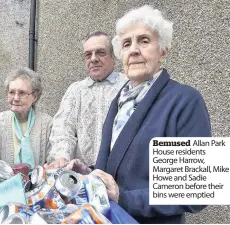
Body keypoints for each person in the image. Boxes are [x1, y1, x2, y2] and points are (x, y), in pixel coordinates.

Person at [64, 5, 212, 224]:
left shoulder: (184, 100)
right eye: (126, 43)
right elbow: (123, 170)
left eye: (144, 40)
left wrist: (124, 198)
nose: (133, 50)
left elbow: (196, 190)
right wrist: (89, 172)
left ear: (163, 50)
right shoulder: (119, 101)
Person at [45, 31, 127, 169]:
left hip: (120, 173)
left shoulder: (127, 85)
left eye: (100, 52)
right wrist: (62, 156)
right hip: (84, 174)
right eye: (88, 55)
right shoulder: (76, 90)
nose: (93, 59)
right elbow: (63, 128)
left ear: (113, 57)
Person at [0, 67, 52, 168]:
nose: (16, 98)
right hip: (5, 182)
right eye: (12, 92)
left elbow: (53, 160)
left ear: (35, 97)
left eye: (22, 93)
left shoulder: (46, 123)